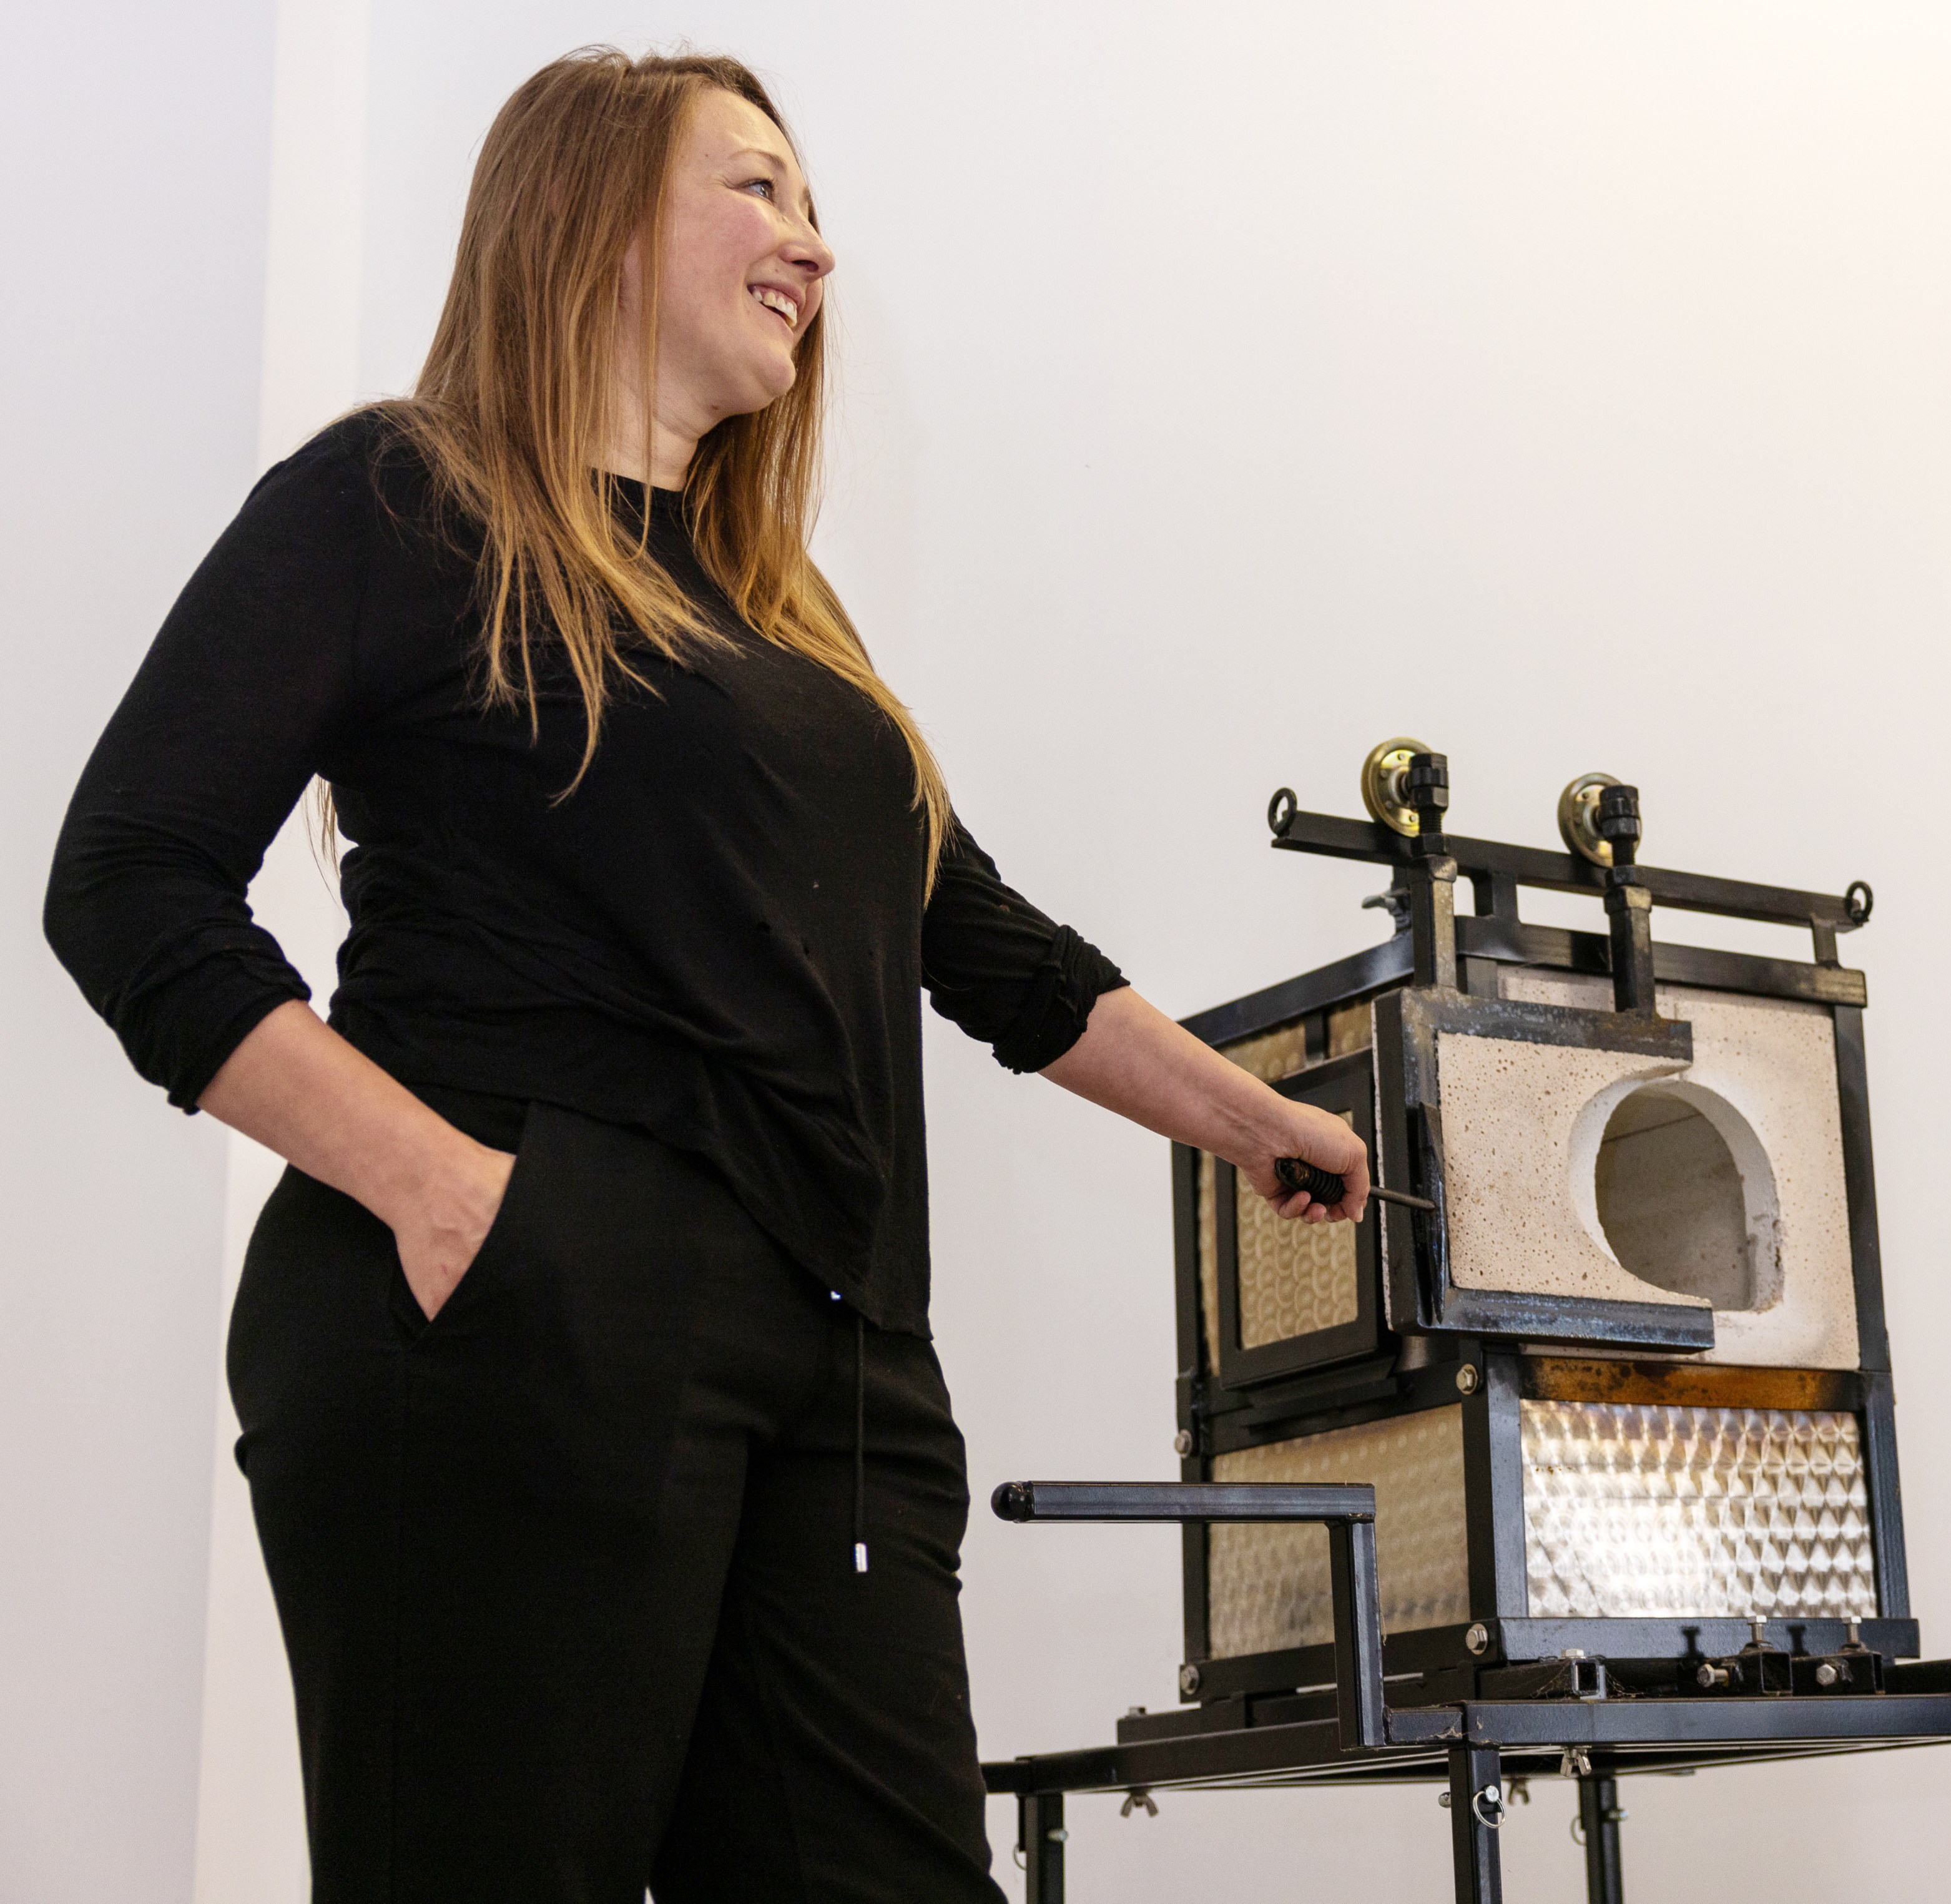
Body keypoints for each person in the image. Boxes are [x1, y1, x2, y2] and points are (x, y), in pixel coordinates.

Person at [45, 46, 1364, 1904]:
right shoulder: (401, 501)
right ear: (584, 214)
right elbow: (126, 878)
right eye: (757, 188)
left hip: (831, 1353)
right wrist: (445, 1196)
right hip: (511, 1305)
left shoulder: (779, 607)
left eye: (813, 205)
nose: (811, 249)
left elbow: (965, 928)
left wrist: (1252, 1122)